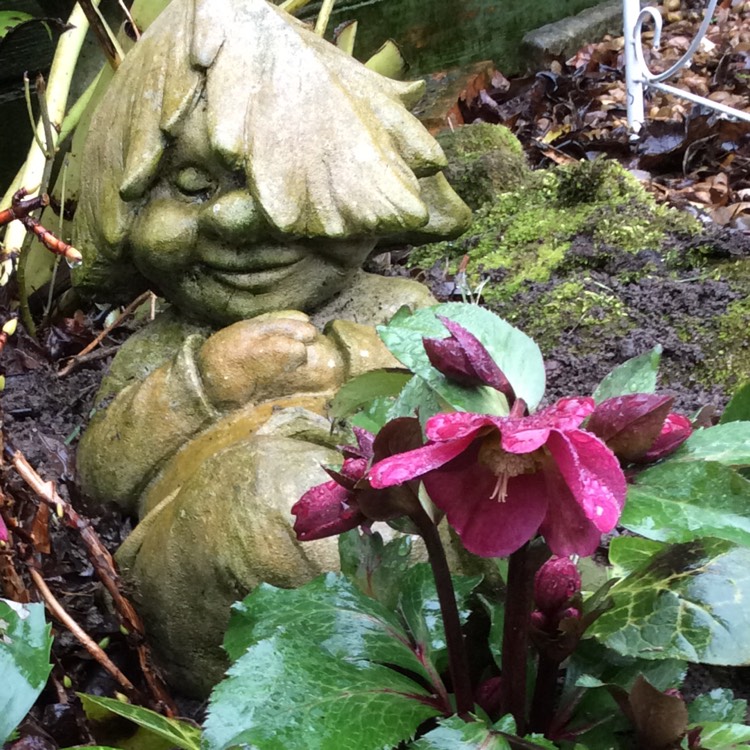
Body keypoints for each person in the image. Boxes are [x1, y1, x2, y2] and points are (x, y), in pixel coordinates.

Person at [74, 0, 470, 696]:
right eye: (193, 186)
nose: (239, 219)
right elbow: (102, 477)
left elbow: (464, 426)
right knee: (262, 500)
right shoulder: (162, 349)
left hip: (410, 568)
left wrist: (357, 364)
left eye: (286, 184)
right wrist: (209, 382)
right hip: (204, 587)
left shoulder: (401, 313)